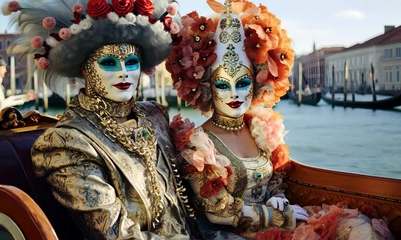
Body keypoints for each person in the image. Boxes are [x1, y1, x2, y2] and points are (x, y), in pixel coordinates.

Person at [166, 0, 395, 239]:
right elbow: (217, 212)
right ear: (206, 87)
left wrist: (277, 198)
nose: (234, 93)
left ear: (256, 83)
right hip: (237, 234)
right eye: (223, 85)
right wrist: (277, 217)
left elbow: (274, 179)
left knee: (360, 228)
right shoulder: (197, 143)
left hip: (282, 223)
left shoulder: (258, 128)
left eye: (243, 83)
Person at [4, 0, 191, 239]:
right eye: (109, 63)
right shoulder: (67, 141)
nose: (124, 72)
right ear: (85, 69)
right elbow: (116, 234)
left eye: (132, 62)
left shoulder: (154, 116)